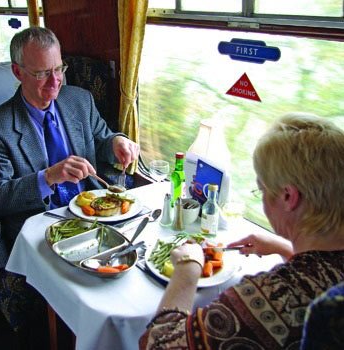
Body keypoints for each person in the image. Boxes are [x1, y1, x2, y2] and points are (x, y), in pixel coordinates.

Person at [139, 112, 344, 349]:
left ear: (288, 197)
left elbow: (158, 345)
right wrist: (285, 248)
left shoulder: (274, 299)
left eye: (262, 190)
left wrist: (187, 268)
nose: (264, 200)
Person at [0, 26, 139, 347]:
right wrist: (47, 177)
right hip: (39, 228)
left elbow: (103, 137)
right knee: (94, 296)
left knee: (133, 275)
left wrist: (118, 142)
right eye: (43, 73)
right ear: (18, 72)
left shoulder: (79, 100)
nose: (55, 81)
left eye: (59, 69)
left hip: (94, 213)